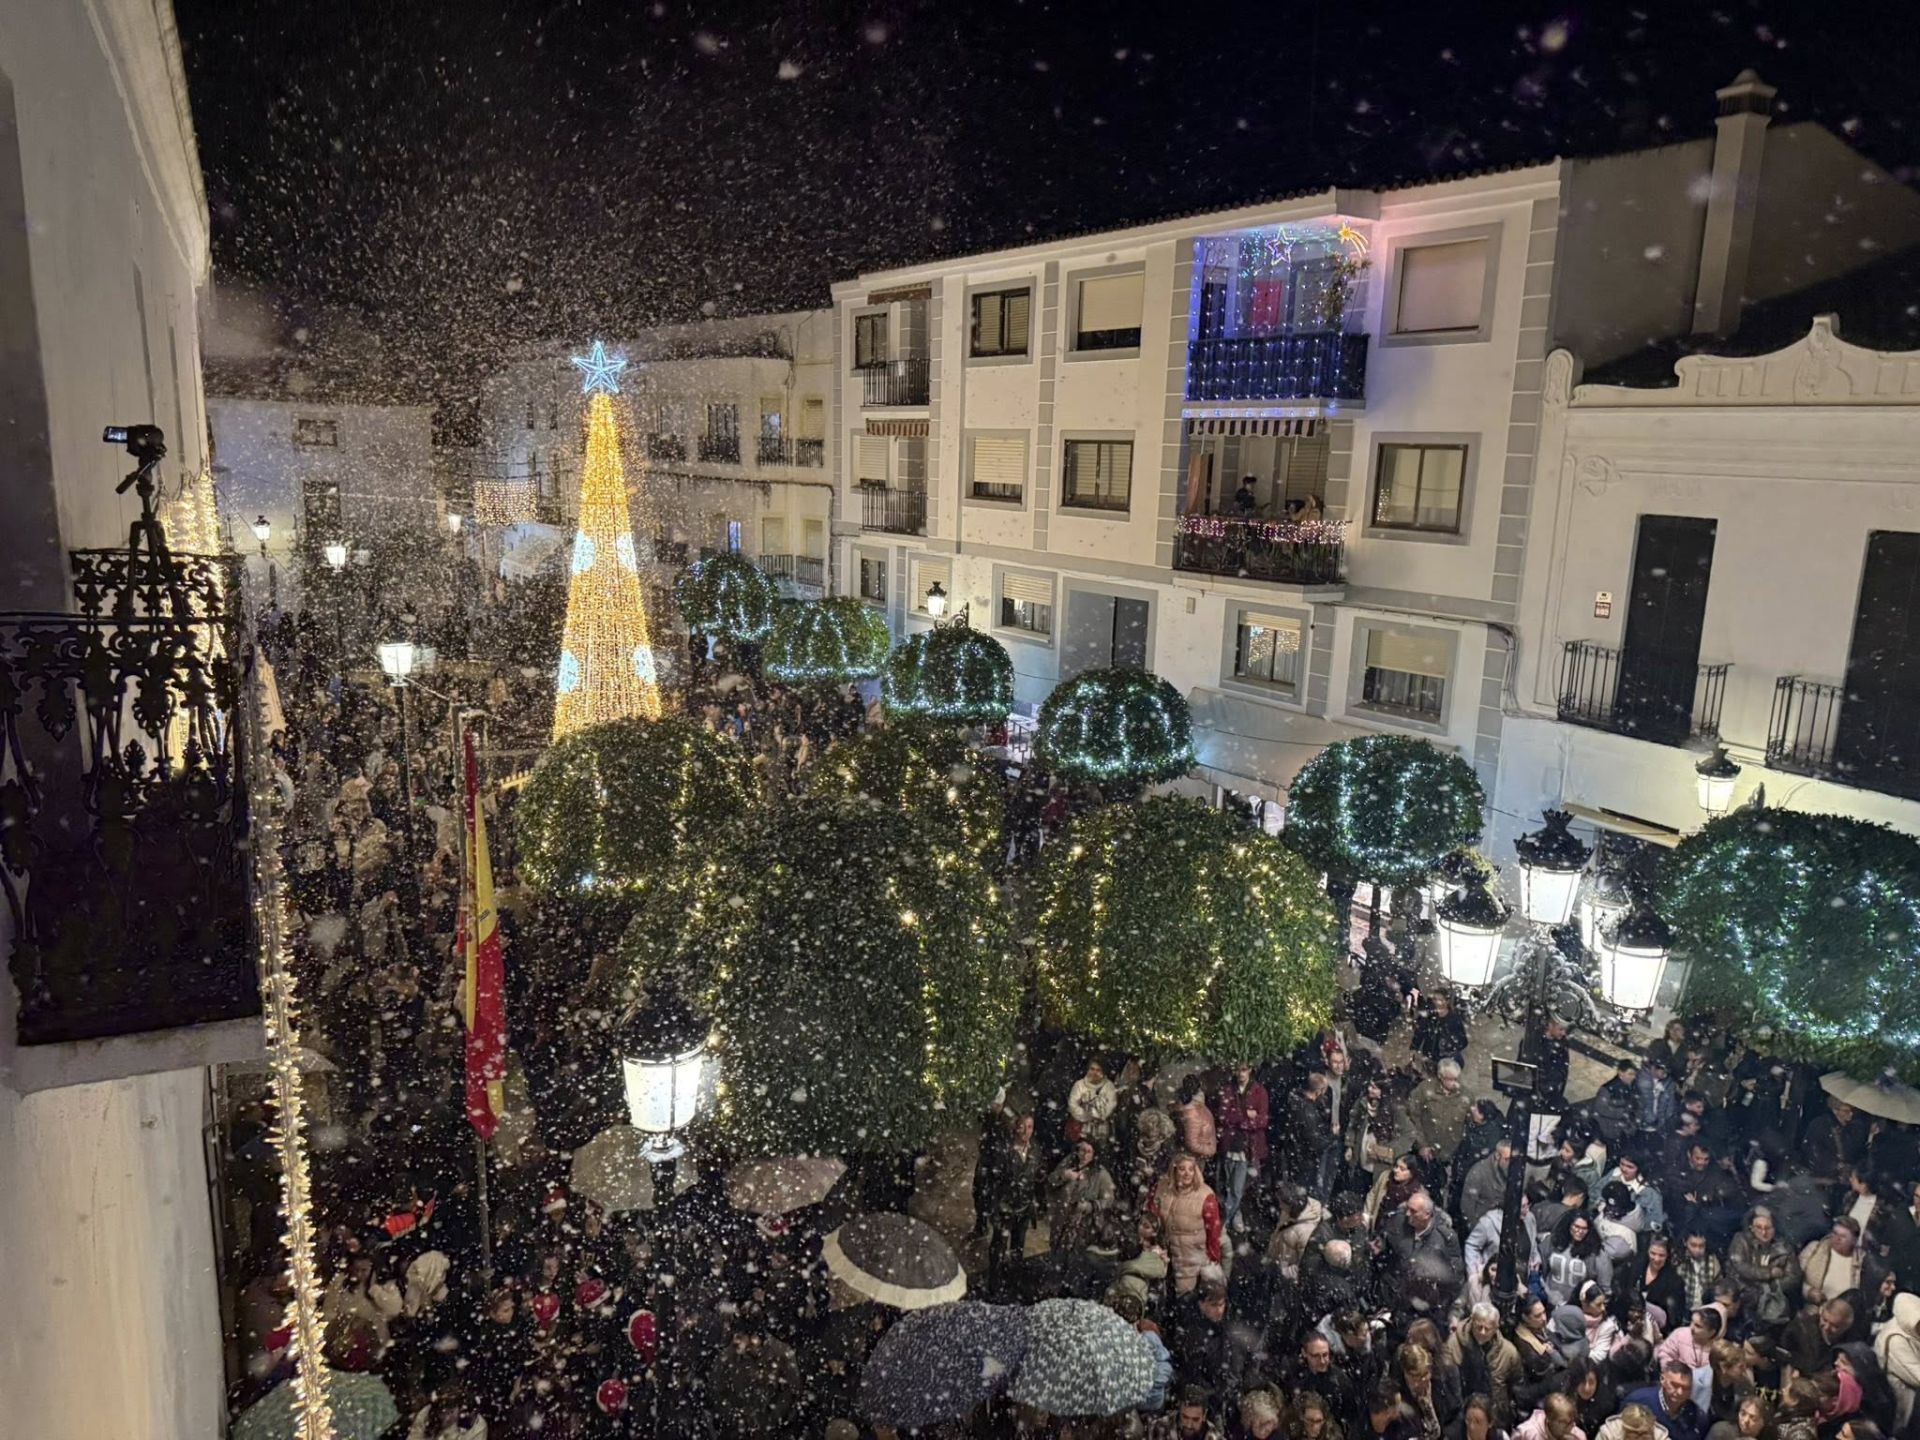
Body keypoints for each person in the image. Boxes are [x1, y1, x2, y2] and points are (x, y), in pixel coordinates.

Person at [978, 1111, 1042, 1292]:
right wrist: (993, 1208)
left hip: (1024, 1207)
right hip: (1005, 1208)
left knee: (1018, 1247)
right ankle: (994, 1284)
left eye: (1030, 1127)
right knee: (998, 1248)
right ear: (1016, 1128)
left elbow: (1036, 1177)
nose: (1026, 1131)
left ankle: (1014, 1281)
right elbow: (993, 1182)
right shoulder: (1003, 1151)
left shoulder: (1035, 1149)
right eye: (1022, 1126)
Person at [1380, 1190, 1465, 1317]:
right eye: (1407, 1209)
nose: (1408, 1214)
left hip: (1428, 1304)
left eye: (1413, 1211)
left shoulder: (1445, 1238)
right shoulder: (1398, 1222)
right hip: (1398, 1298)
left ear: (1427, 1214)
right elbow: (1387, 1254)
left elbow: (1455, 1277)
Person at [1152, 1151, 1224, 1294]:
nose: (1187, 1174)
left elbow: (1213, 1231)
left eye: (1191, 1169)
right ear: (1174, 1170)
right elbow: (1152, 1213)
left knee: (1185, 1298)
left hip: (1191, 1259)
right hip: (1164, 1254)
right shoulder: (1163, 1188)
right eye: (1182, 1169)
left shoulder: (1205, 1196)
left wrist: (1214, 1257)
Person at [1171, 1273, 1250, 1400]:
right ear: (1201, 1305)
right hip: (1205, 1396)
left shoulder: (1230, 1326)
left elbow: (1239, 1360)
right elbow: (1193, 1372)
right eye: (1213, 1305)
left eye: (1221, 1304)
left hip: (1228, 1392)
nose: (1219, 1310)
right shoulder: (1193, 1332)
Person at [1406, 1060, 1473, 1195]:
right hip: (1427, 1153)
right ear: (1440, 1077)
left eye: (1456, 1079)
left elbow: (1470, 1123)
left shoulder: (1466, 1096)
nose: (1454, 1083)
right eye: (1450, 1079)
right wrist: (1422, 1144)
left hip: (1451, 1153)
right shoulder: (1425, 1090)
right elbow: (1412, 1117)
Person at [1218, 1063, 1271, 1232]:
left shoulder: (1259, 1091)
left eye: (1244, 1069)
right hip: (1230, 1144)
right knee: (1229, 1184)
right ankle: (1233, 1214)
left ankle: (1226, 1219)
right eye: (1238, 1070)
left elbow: (1262, 1119)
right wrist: (1245, 1115)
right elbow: (1223, 1115)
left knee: (1238, 1187)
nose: (1240, 1073)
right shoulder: (1227, 1090)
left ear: (1250, 1070)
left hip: (1249, 1146)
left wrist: (1240, 1119)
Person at [1727, 1207, 1801, 1325]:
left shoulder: (1785, 1247)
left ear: (1775, 1228)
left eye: (1768, 1228)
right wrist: (1769, 1273)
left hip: (1774, 1298)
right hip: (1743, 1294)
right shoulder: (1741, 1240)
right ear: (1751, 1227)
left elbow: (1793, 1277)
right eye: (1759, 1227)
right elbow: (1740, 1266)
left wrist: (1770, 1288)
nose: (1763, 1232)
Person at [1801, 1217, 1885, 1313]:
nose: (1837, 1239)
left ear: (1854, 1240)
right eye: (1835, 1233)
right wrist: (1808, 1292)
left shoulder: (1862, 1261)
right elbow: (1797, 1279)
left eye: (1843, 1236)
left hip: (1842, 1318)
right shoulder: (1814, 1249)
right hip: (1812, 1311)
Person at [1047, 1138, 1117, 1254]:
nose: (1084, 1155)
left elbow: (1109, 1199)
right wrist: (1064, 1175)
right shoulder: (1069, 1163)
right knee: (1056, 1251)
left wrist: (1090, 1206)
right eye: (1082, 1150)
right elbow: (1051, 1180)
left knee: (1077, 1256)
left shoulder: (1100, 1174)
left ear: (1094, 1154)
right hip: (1062, 1218)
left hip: (1084, 1225)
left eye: (1089, 1152)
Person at [1544, 1211, 1614, 1307]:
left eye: (1584, 1228)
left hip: (1580, 1306)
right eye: (1576, 1227)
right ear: (1569, 1225)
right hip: (1549, 1300)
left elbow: (1604, 1287)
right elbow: (1541, 1268)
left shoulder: (1597, 1253)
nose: (1580, 1231)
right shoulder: (1552, 1243)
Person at [1627, 1361, 1711, 1440]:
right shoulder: (1637, 1402)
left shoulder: (1697, 1416)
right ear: (1662, 1379)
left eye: (1686, 1388)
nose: (1680, 1392)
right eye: (1674, 1385)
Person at [1288, 1073, 1337, 1194]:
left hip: (1294, 1157)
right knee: (1303, 1197)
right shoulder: (1308, 1112)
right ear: (1318, 1091)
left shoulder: (1296, 1102)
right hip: (1305, 1162)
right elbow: (1315, 1143)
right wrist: (1333, 1135)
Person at [1461, 1142, 1516, 1229]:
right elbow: (1467, 1206)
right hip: (1483, 1223)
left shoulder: (1514, 1171)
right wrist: (1477, 1230)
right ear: (1497, 1156)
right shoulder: (1479, 1172)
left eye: (1512, 1160)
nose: (1510, 1164)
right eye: (1507, 1159)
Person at [1411, 992, 1469, 1072]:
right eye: (1435, 999)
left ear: (1447, 1001)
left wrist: (1449, 1044)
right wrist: (1414, 1049)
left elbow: (1463, 1041)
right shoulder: (1428, 1017)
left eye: (1440, 1000)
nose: (1437, 1002)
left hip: (1447, 1057)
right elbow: (1419, 1033)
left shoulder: (1454, 1019)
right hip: (1429, 1056)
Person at [1069, 1058, 1120, 1147]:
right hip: (1082, 1131)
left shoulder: (1109, 1086)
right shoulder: (1079, 1085)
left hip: (1102, 1132)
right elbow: (1073, 1105)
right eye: (1092, 1069)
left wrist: (1097, 1113)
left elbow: (1111, 1106)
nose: (1094, 1073)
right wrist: (1085, 1115)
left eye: (1098, 1070)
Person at [1658, 1307, 1726, 1374]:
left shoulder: (1719, 1349)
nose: (1691, 1327)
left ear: (1711, 1332)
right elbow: (1665, 1353)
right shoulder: (1680, 1334)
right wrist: (1672, 1372)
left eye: (1698, 1326)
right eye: (1692, 1322)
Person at [1678, 1231, 1726, 1315]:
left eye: (1701, 1246)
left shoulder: (1713, 1261)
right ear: (1685, 1242)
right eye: (1693, 1245)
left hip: (1705, 1310)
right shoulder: (1678, 1260)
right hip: (1682, 1309)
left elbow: (1718, 1287)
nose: (1697, 1250)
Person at [1515, 1392, 1585, 1440]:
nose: (1570, 1427)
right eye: (1564, 1422)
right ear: (1549, 1418)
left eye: (1572, 1422)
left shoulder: (1578, 1436)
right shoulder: (1527, 1433)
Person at [1597, 1402, 1670, 1440]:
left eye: (1644, 1436)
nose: (1640, 1438)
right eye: (1635, 1436)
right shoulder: (1608, 1434)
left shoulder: (1660, 1437)